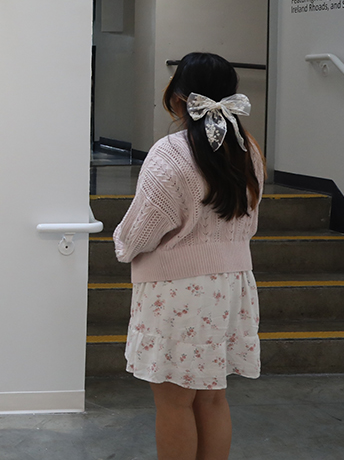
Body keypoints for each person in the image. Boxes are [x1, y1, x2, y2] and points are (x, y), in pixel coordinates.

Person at [113, 52, 265, 460]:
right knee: (212, 399)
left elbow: (140, 233)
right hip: (232, 288)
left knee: (174, 404)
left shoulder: (169, 154)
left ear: (178, 97)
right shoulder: (247, 149)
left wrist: (121, 243)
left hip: (178, 292)